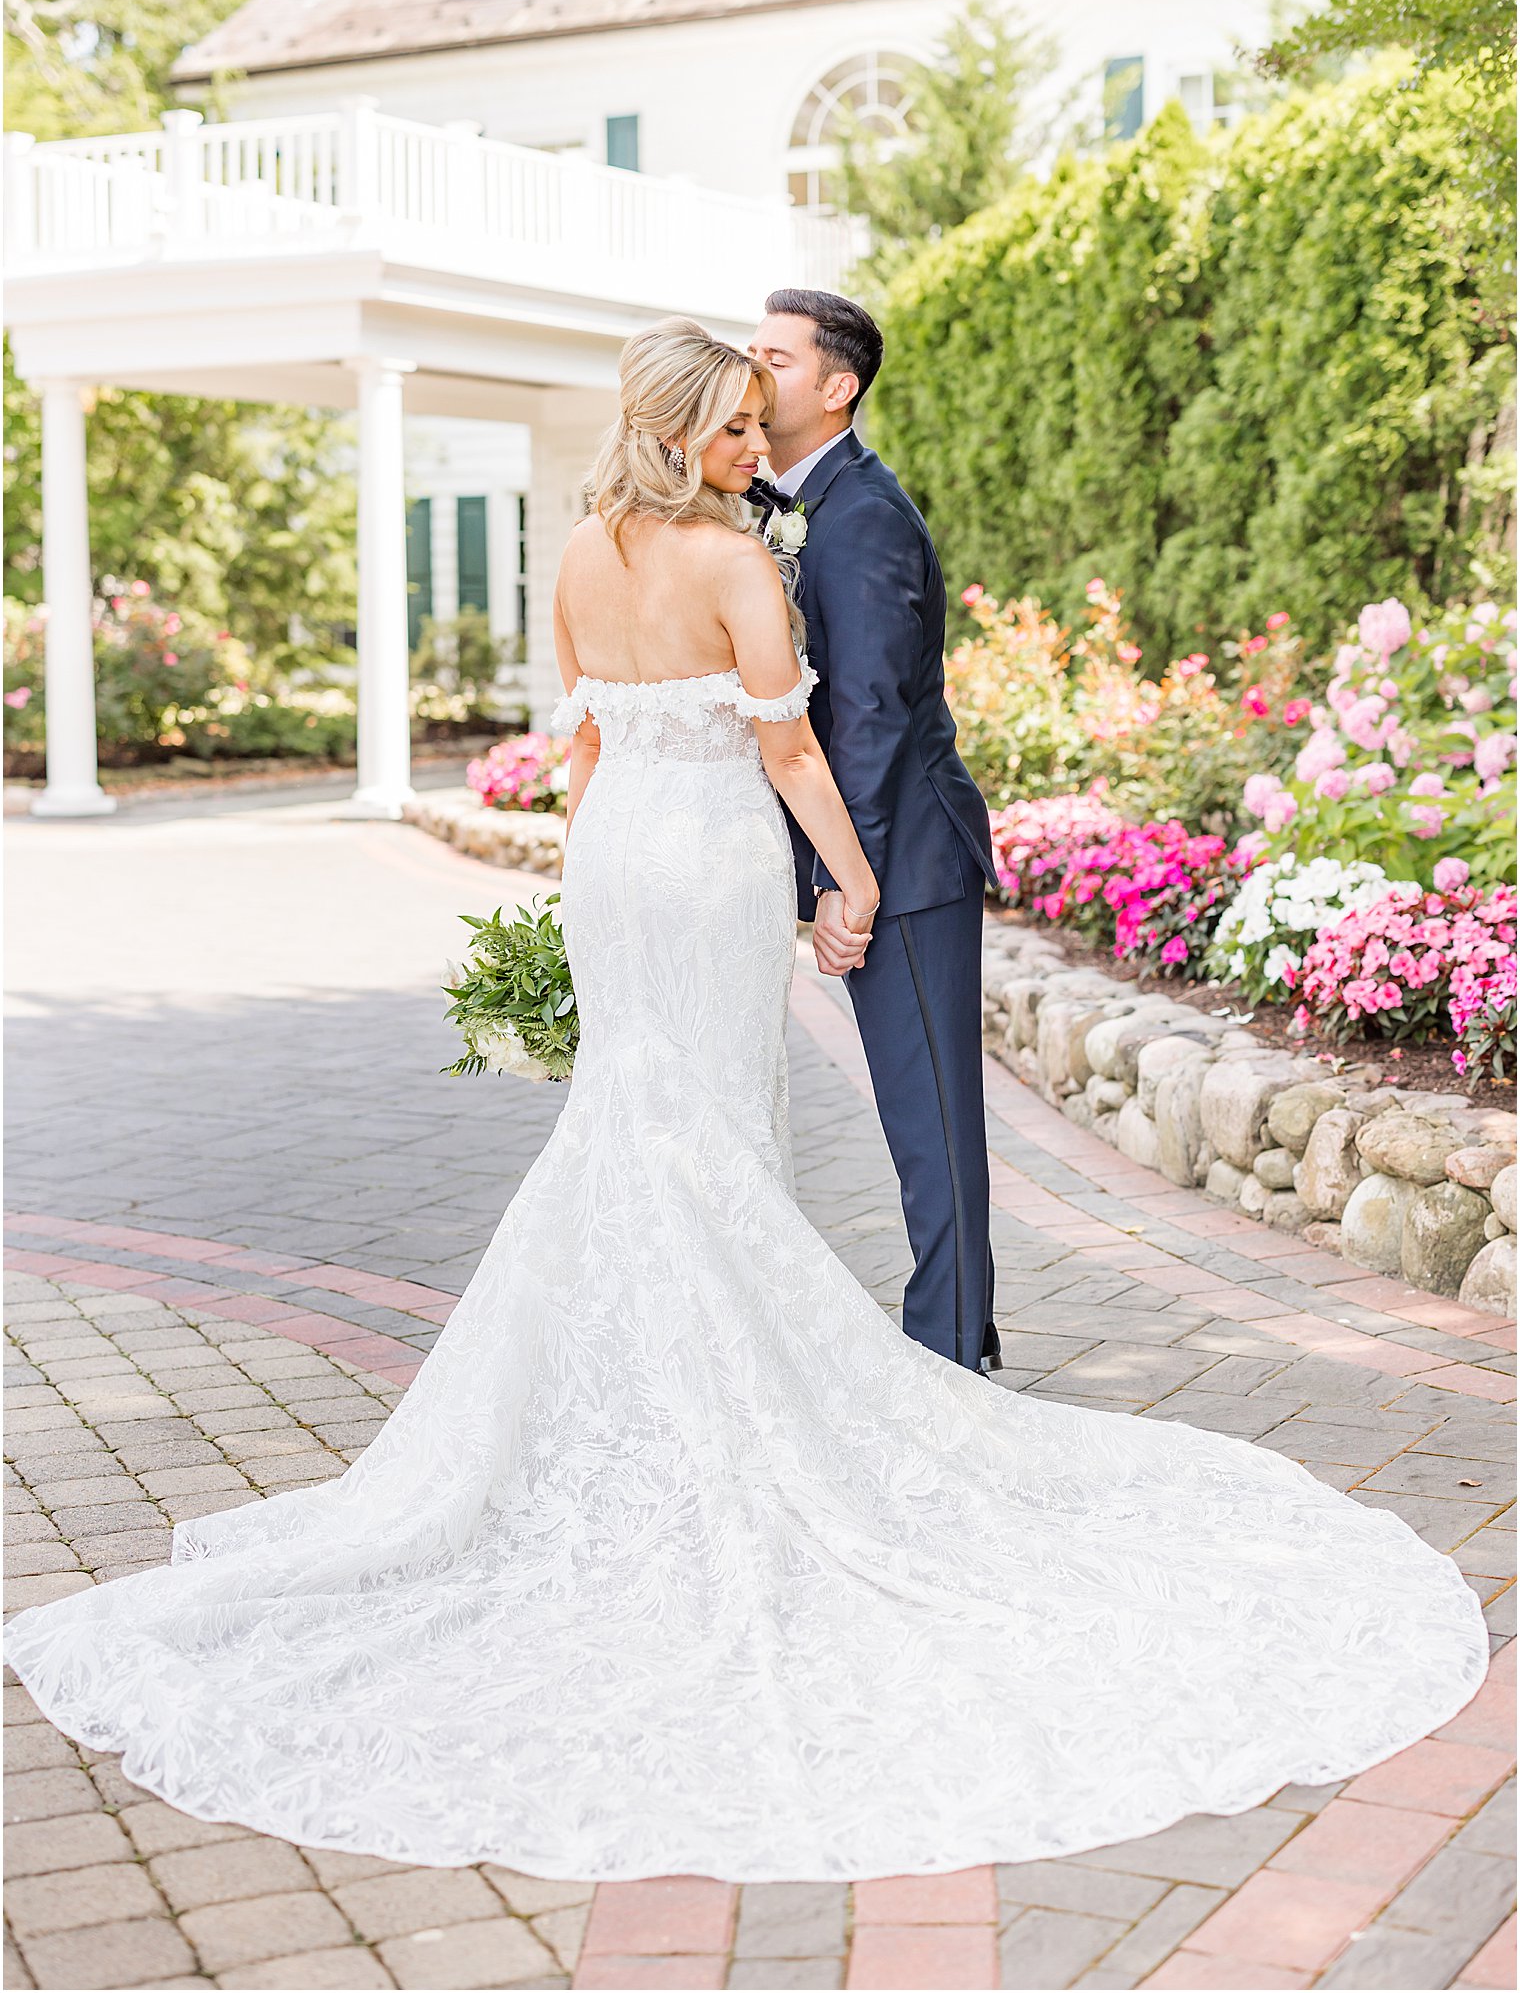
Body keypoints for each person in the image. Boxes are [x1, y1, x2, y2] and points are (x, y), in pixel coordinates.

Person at [3, 317, 1488, 1883]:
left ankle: (623, 1390)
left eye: (747, 419)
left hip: (615, 866)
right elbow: (788, 756)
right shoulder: (734, 565)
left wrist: (579, 893)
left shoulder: (577, 551)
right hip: (710, 862)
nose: (742, 446)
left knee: (638, 1131)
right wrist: (847, 885)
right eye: (722, 426)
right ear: (671, 428)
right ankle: (726, 1400)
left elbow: (578, 749)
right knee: (704, 1131)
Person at [747, 287, 1002, 1376]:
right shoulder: (769, 502)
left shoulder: (864, 516)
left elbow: (870, 721)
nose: (753, 376)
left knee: (930, 1120)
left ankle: (950, 1354)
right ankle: (957, 1333)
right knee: (918, 1116)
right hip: (858, 852)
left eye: (775, 358)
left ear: (836, 386)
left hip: (902, 858)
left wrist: (840, 887)